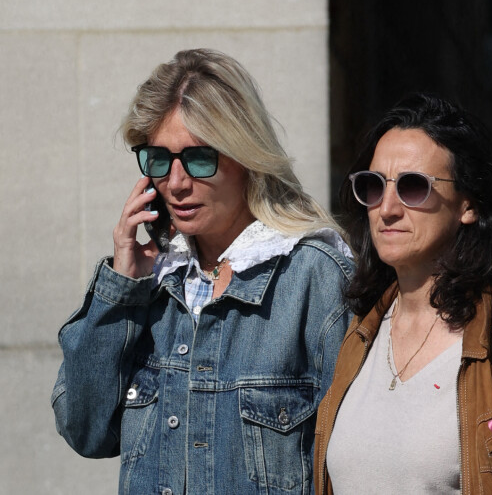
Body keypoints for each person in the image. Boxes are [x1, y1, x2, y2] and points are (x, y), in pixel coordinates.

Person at [51, 48, 353, 495]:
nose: (175, 183)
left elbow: (357, 461)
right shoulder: (152, 282)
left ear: (246, 156)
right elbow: (86, 431)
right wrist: (122, 286)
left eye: (198, 158)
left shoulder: (313, 275)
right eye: (158, 159)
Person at [314, 93, 492, 494]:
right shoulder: (359, 335)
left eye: (413, 187)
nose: (387, 208)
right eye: (373, 186)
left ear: (468, 204)